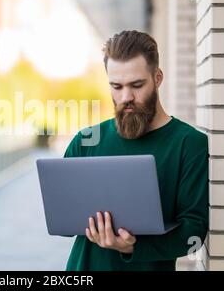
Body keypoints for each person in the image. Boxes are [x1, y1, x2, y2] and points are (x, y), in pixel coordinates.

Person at [64, 30, 209, 271]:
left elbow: (193, 233)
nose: (126, 97)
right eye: (116, 86)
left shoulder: (189, 144)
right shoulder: (86, 141)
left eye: (137, 85)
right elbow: (64, 218)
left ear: (158, 78)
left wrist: (131, 247)